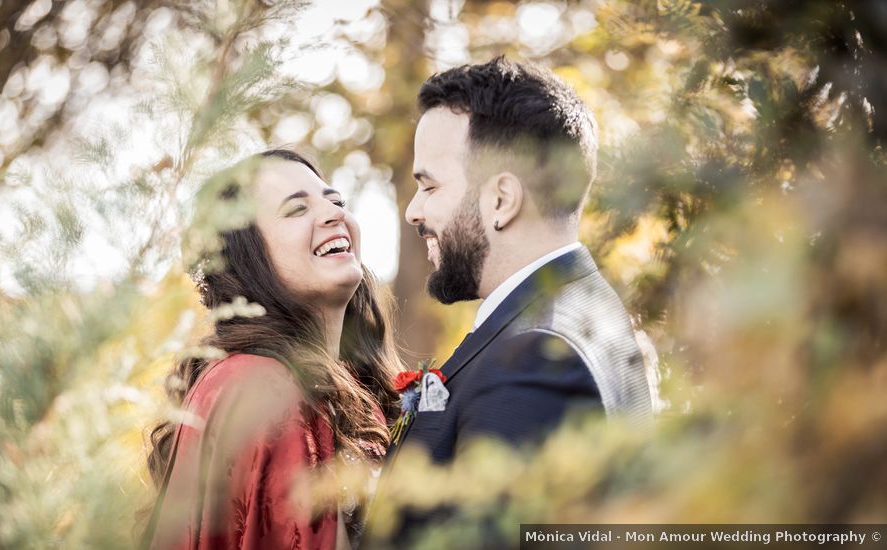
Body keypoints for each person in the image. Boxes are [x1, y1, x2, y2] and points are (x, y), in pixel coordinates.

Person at [371, 56, 654, 543]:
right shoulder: (585, 316)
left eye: (430, 186)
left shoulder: (535, 357)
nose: (414, 211)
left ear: (501, 199)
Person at [141, 149, 403, 550]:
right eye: (297, 210)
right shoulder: (261, 386)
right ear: (248, 258)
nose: (335, 215)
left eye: (336, 202)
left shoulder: (345, 390)